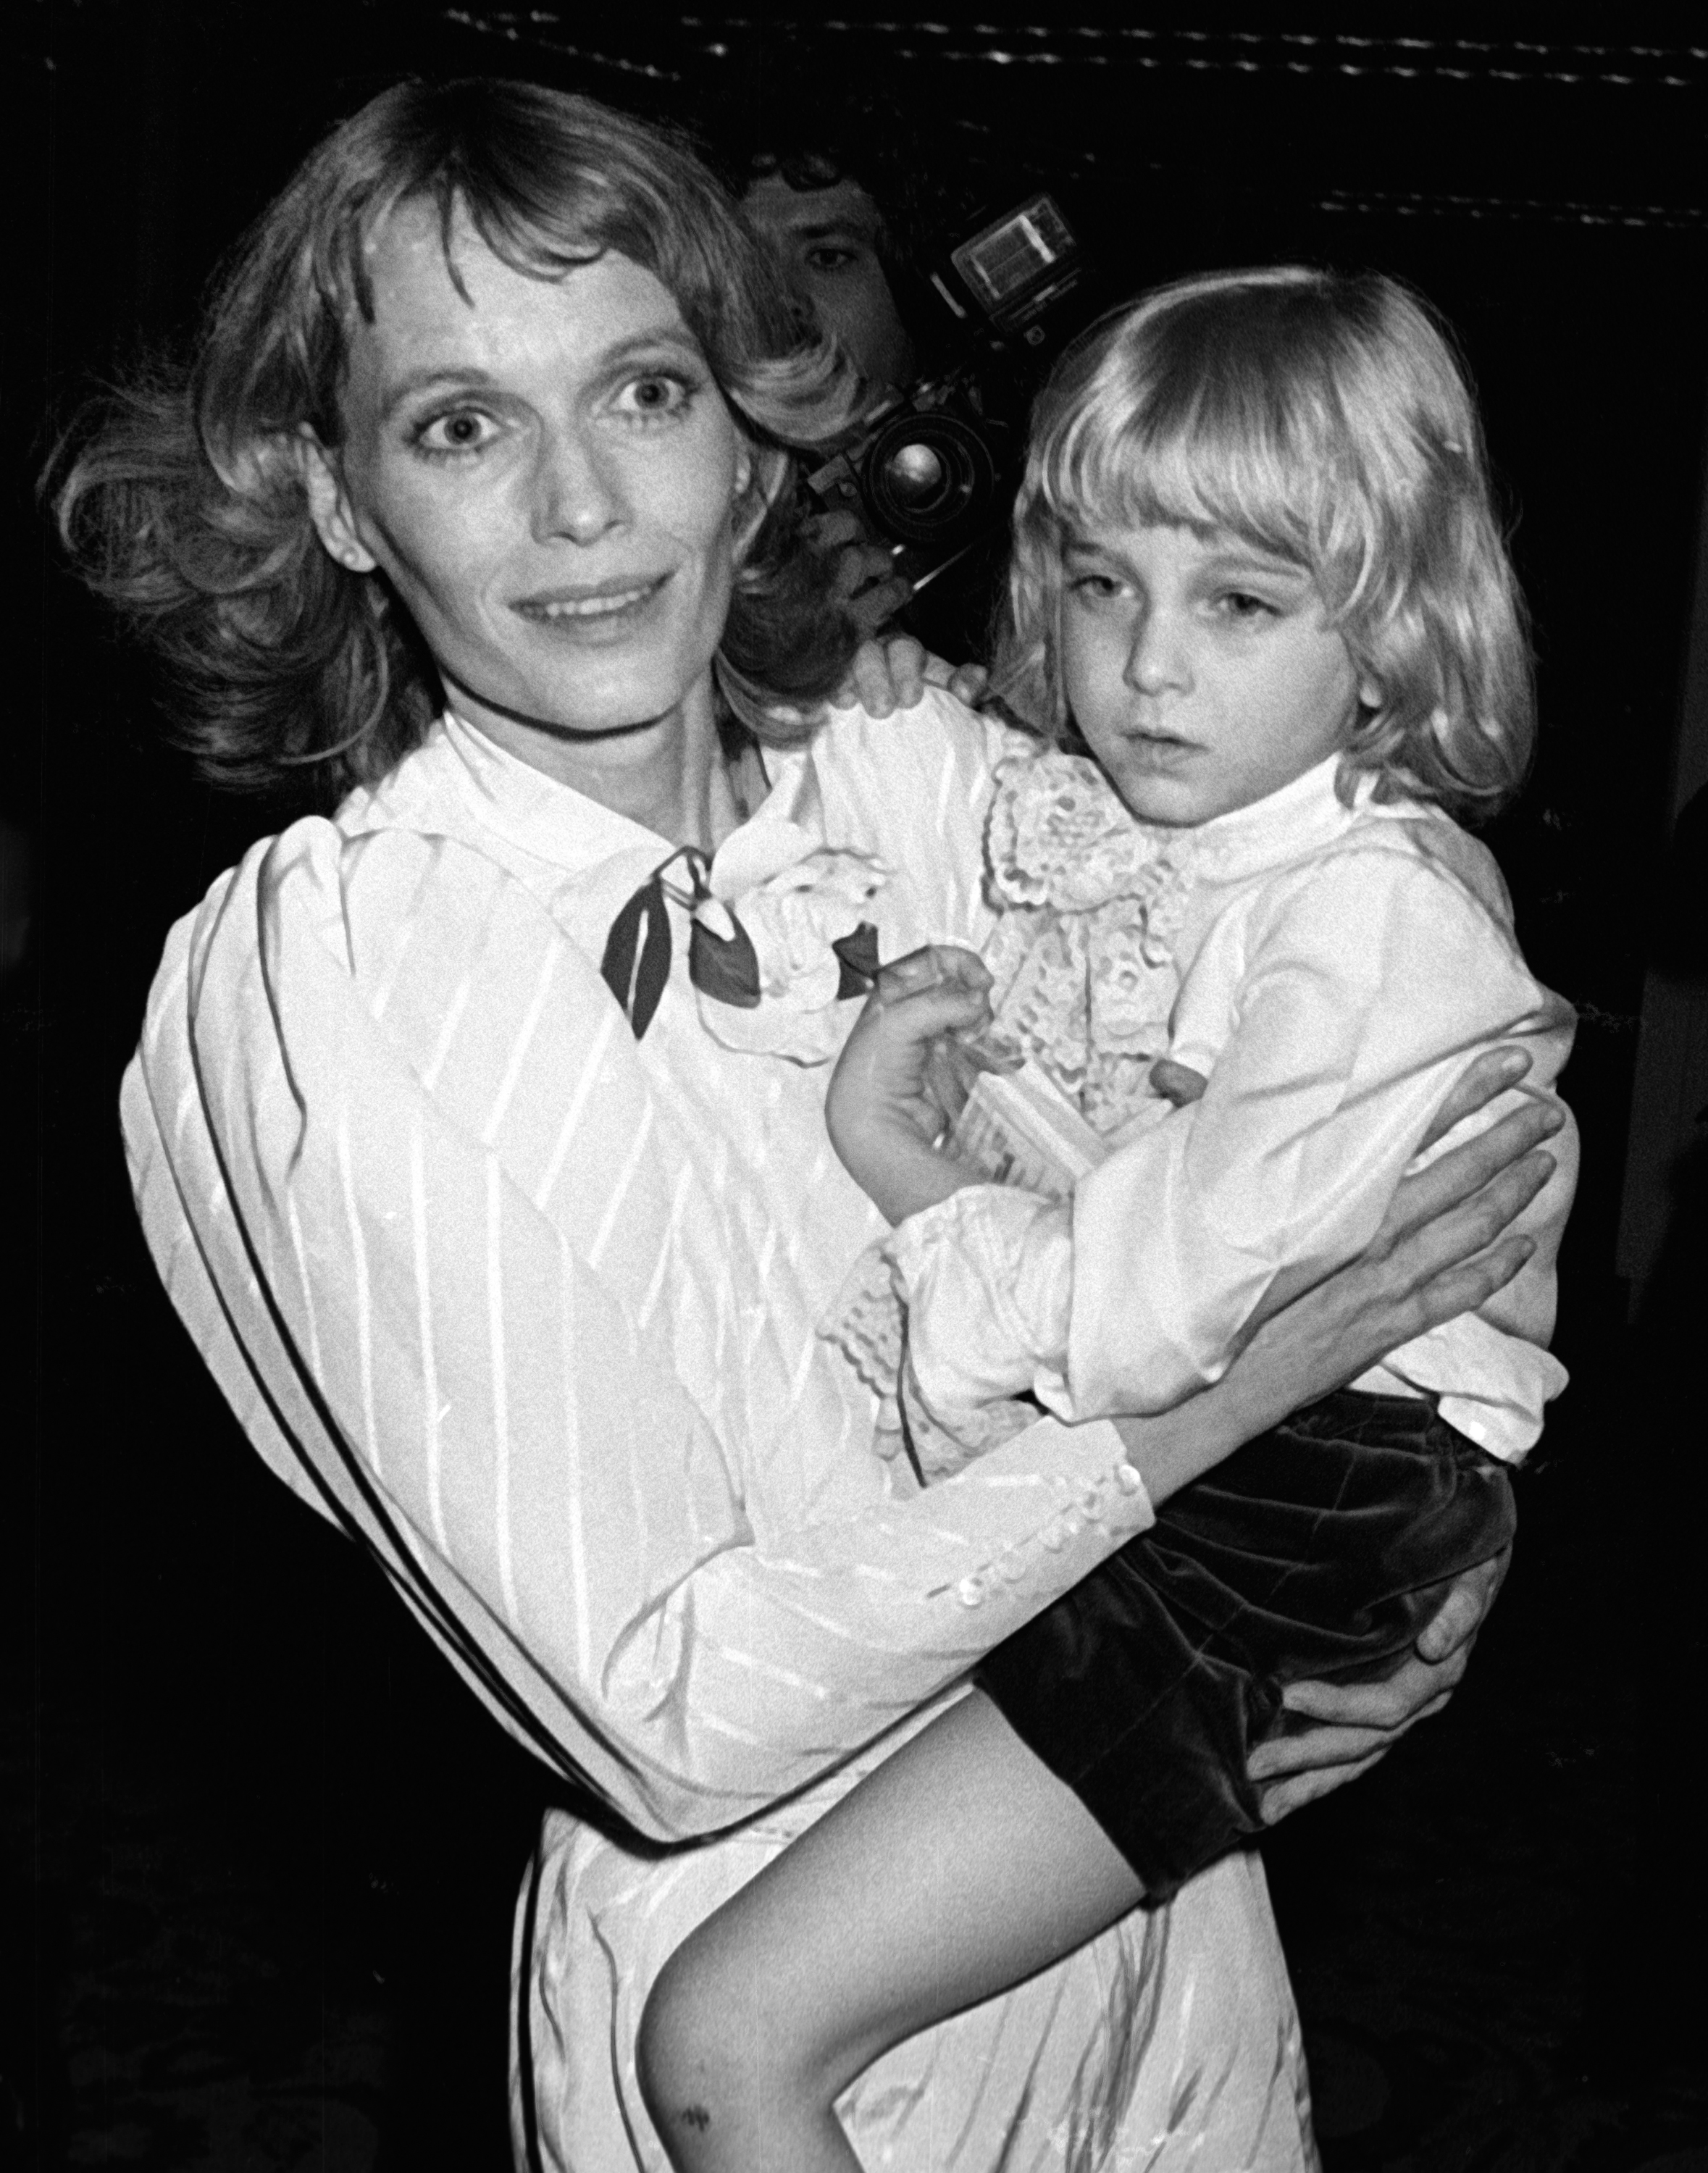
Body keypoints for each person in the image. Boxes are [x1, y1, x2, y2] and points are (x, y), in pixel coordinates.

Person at [51, 80, 1557, 2172]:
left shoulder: (919, 771)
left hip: (1148, 1918)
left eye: (645, 391)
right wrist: (1210, 1427)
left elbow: (1341, 1076)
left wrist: (1413, 1585)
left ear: (752, 436)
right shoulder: (341, 975)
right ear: (330, 499)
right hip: (783, 2025)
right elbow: (666, 1718)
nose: (583, 509)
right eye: (464, 425)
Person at [635, 268, 1578, 2173]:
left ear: (1396, 630)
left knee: (734, 2037)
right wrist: (908, 705)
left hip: (1297, 1503)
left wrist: (911, 1183)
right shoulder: (1213, 848)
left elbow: (1150, 1318)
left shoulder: (1372, 914)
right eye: (1100, 584)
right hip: (1277, 1476)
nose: (1148, 665)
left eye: (1238, 602)